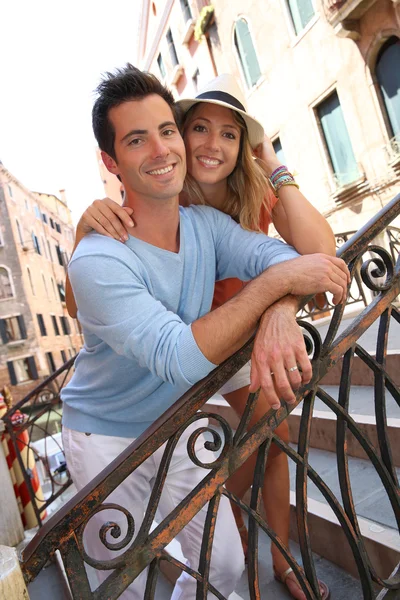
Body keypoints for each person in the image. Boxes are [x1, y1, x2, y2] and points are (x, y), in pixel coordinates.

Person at [63, 65, 349, 599]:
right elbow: (179, 356)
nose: (160, 149)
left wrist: (281, 309)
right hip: (106, 437)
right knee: (123, 586)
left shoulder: (207, 225)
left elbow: (299, 257)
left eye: (166, 130)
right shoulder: (99, 258)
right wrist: (277, 286)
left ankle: (265, 567)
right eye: (135, 140)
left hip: (178, 422)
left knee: (224, 567)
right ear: (111, 161)